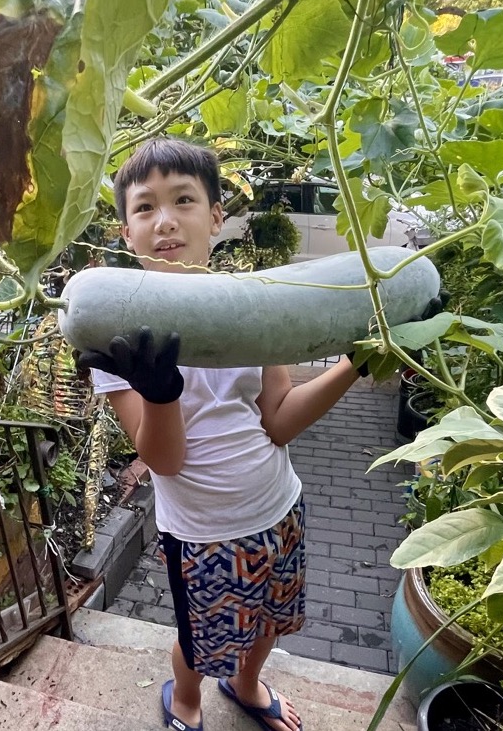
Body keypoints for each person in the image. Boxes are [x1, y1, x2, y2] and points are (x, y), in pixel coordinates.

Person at [76, 139, 373, 731]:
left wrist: (354, 366)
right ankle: (185, 701)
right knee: (200, 639)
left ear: (215, 215)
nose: (164, 220)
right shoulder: (116, 336)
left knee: (268, 620)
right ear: (124, 233)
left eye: (183, 200)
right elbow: (164, 460)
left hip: (279, 508)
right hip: (200, 535)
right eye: (144, 208)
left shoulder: (252, 309)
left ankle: (247, 684)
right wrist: (162, 395)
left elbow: (279, 417)